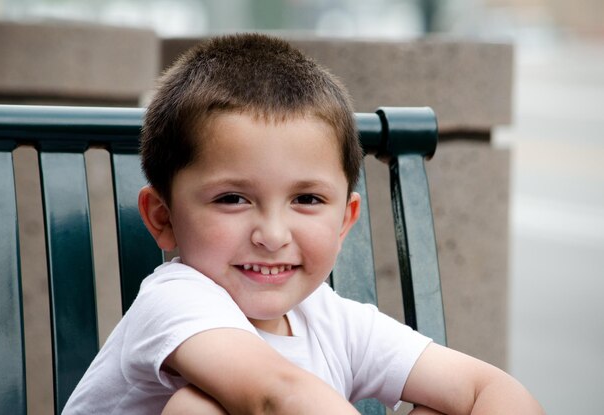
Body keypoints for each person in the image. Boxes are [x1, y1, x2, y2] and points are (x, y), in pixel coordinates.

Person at [63, 33, 544, 415]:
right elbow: (273, 398)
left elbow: (493, 391)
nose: (272, 235)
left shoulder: (336, 323)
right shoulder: (174, 301)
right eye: (232, 199)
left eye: (307, 199)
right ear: (162, 219)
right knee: (200, 408)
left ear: (344, 220)